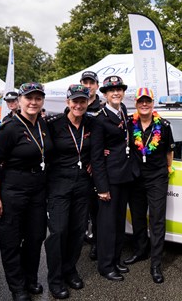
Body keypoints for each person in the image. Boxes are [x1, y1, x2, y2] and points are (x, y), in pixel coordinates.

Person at [0, 82, 53, 301]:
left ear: (42, 100)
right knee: (11, 242)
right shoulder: (9, 128)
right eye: (29, 98)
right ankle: (17, 288)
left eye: (38, 98)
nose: (33, 102)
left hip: (37, 190)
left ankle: (30, 279)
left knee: (35, 238)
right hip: (13, 190)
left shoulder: (43, 124)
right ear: (20, 101)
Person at [44, 84, 94, 299]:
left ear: (87, 102)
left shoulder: (92, 123)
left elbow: (104, 143)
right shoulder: (53, 124)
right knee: (58, 231)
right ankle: (55, 278)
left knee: (77, 230)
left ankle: (70, 270)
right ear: (67, 102)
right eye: (75, 101)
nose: (79, 105)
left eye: (82, 101)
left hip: (83, 184)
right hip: (58, 184)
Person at [123, 87, 174, 284]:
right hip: (135, 178)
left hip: (157, 178)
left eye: (148, 101)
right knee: (137, 217)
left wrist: (167, 169)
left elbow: (169, 152)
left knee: (157, 220)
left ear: (153, 103)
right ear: (136, 103)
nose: (144, 104)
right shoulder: (129, 123)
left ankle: (156, 263)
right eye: (141, 101)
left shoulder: (164, 125)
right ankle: (140, 251)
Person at [90, 75, 139, 282]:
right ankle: (106, 265)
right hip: (109, 179)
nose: (116, 93)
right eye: (112, 91)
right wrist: (102, 187)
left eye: (119, 89)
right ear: (105, 94)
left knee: (119, 223)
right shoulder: (100, 119)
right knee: (107, 225)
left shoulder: (123, 111)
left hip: (124, 176)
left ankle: (116, 259)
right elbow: (97, 155)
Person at [79, 70, 102, 261]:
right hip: (79, 167)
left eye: (91, 83)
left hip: (97, 168)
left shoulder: (102, 107)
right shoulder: (76, 106)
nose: (88, 86)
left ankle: (96, 244)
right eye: (85, 83)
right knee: (80, 210)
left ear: (96, 85)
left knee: (96, 210)